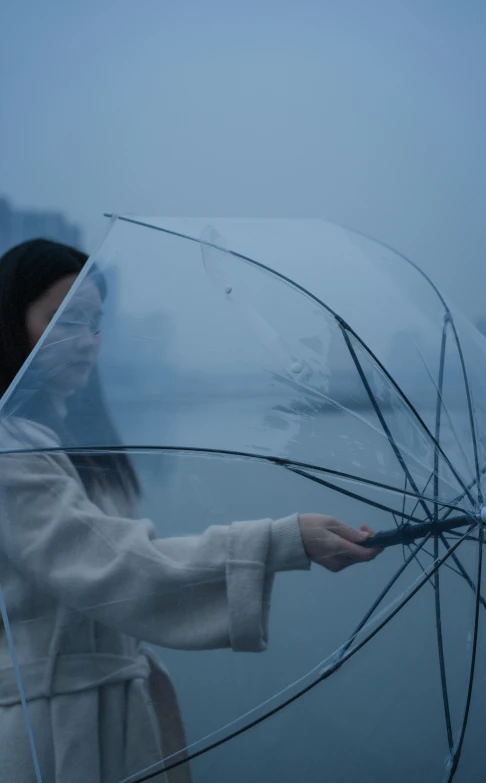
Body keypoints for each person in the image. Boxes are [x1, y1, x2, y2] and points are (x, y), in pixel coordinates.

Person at [0, 239, 381, 783]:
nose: (87, 341)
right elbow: (117, 567)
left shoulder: (64, 442)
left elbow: (117, 558)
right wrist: (284, 540)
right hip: (53, 733)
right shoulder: (9, 453)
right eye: (65, 320)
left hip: (105, 709)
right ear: (11, 323)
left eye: (95, 322)